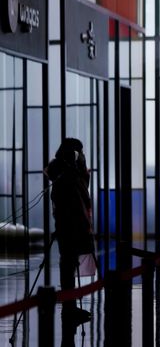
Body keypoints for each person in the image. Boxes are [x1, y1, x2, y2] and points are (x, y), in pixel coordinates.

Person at [45, 138, 94, 326]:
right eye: (78, 153)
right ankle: (69, 308)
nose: (81, 157)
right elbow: (64, 202)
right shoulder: (63, 177)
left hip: (72, 227)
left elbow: (84, 184)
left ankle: (70, 307)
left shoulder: (72, 174)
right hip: (69, 228)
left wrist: (80, 164)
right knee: (67, 266)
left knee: (69, 266)